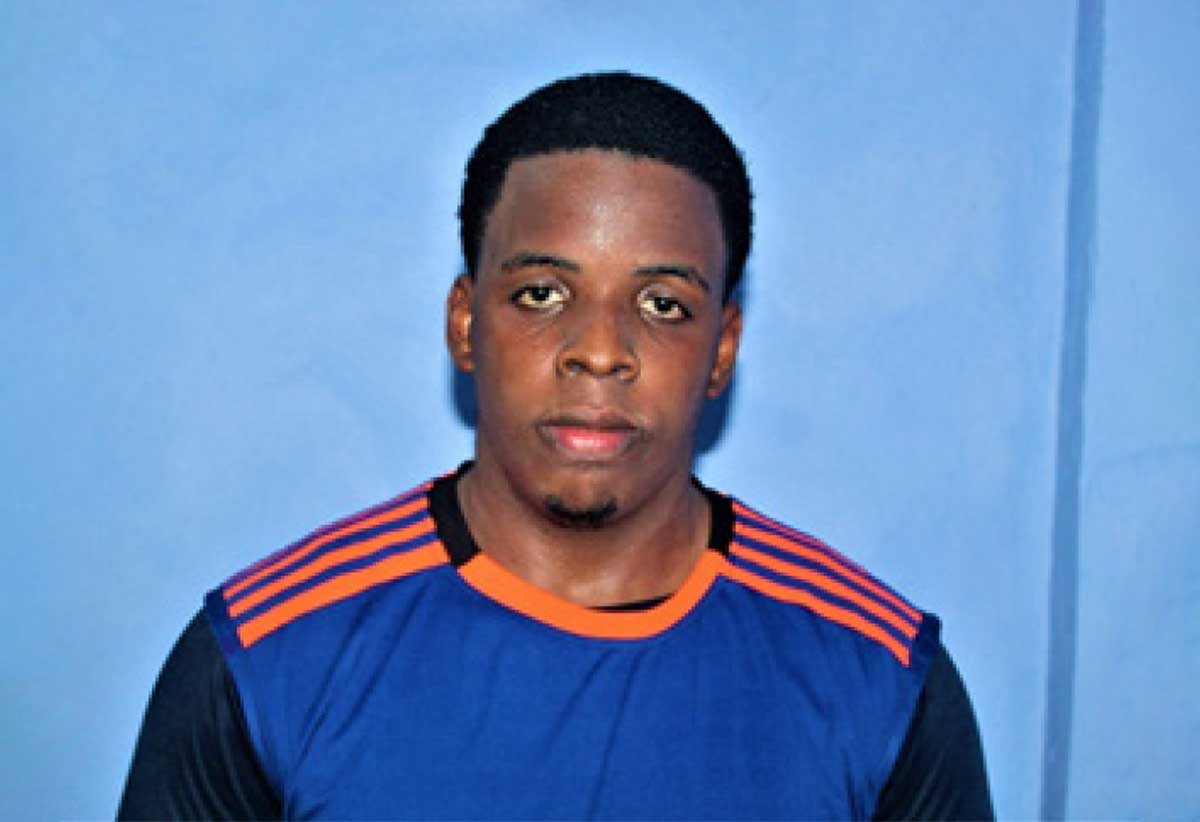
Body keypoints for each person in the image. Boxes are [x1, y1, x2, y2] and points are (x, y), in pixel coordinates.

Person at [118, 71, 993, 820]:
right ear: (466, 323)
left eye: (662, 304)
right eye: (541, 293)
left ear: (722, 350)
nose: (600, 351)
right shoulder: (265, 660)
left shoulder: (880, 680)